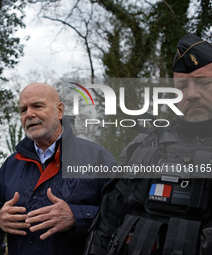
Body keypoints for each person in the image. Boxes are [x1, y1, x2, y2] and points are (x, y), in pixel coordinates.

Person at [84, 34, 212, 255]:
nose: (191, 94)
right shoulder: (142, 147)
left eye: (204, 83)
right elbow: (105, 229)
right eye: (181, 87)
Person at [0, 83, 116, 255]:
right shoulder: (12, 163)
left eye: (37, 106)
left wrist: (77, 216)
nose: (29, 114)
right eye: (23, 110)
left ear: (60, 111)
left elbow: (120, 213)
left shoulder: (97, 158)